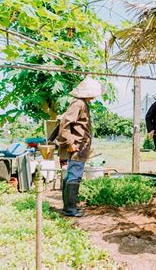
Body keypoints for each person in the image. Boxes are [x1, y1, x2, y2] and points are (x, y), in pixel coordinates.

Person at [58, 77, 102, 217]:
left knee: (71, 175)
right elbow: (65, 123)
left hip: (80, 145)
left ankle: (69, 207)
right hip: (76, 146)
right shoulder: (78, 103)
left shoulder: (82, 103)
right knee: (74, 176)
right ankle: (70, 209)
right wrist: (69, 143)